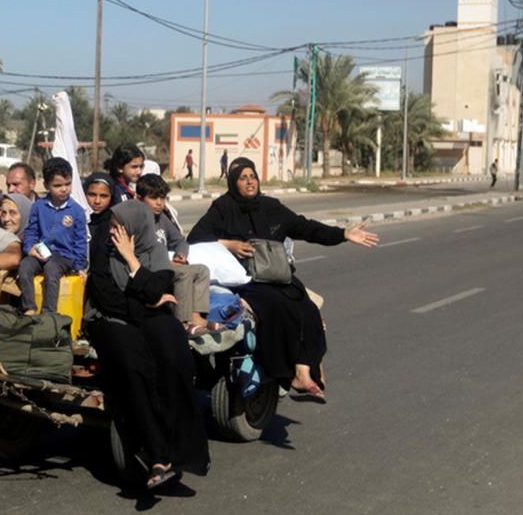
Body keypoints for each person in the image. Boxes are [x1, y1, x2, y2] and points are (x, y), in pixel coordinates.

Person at [187, 157, 379, 402]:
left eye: (252, 176)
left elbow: (305, 228)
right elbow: (195, 239)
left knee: (307, 309)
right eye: (243, 178)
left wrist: (343, 234)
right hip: (246, 279)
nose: (249, 182)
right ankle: (288, 373)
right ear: (233, 182)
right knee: (275, 307)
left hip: (277, 276)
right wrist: (229, 244)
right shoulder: (223, 208)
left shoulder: (271, 207)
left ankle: (303, 371)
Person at [83, 181, 209, 490]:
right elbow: (105, 294)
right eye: (113, 225)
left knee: (174, 353)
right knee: (135, 365)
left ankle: (181, 446)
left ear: (135, 229)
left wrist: (131, 259)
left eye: (120, 227)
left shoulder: (152, 249)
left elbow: (159, 286)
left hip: (146, 312)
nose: (114, 231)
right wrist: (146, 301)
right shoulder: (101, 245)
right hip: (109, 318)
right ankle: (157, 453)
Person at [137, 173, 218, 336]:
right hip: (149, 271)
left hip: (165, 267)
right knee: (184, 273)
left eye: (163, 198)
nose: (159, 203)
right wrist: (167, 265)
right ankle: (182, 322)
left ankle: (196, 316)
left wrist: (180, 255)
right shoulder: (136, 220)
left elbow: (180, 240)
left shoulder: (162, 219)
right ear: (139, 199)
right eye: (154, 198)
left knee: (202, 270)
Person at [18, 158, 87, 313]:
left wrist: (79, 267)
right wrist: (30, 249)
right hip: (41, 253)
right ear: (46, 185)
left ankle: (49, 313)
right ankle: (29, 308)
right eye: (58, 185)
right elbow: (31, 231)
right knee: (25, 267)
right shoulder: (38, 207)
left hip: (64, 257)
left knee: (51, 269)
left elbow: (80, 241)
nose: (64, 189)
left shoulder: (76, 211)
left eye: (68, 184)